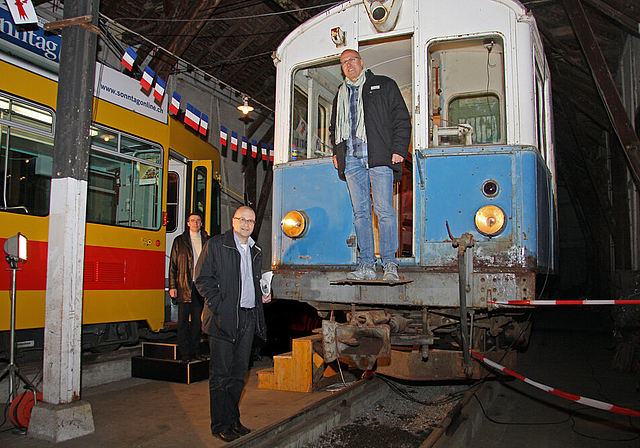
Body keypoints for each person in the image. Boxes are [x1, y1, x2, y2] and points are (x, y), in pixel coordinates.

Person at [330, 48, 412, 281]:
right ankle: (366, 264)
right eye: (344, 62)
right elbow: (334, 128)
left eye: (352, 60)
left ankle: (389, 264)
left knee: (384, 211)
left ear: (361, 62)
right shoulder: (340, 94)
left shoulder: (384, 84)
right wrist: (337, 153)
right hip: (352, 160)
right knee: (360, 214)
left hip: (378, 157)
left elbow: (401, 118)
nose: (348, 65)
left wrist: (398, 149)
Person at [195, 206, 271, 442]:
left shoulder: (255, 249)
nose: (246, 224)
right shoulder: (217, 245)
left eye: (251, 221)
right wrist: (219, 306)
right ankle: (219, 424)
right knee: (220, 375)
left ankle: (233, 420)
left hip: (248, 318)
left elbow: (248, 281)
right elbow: (202, 278)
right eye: (242, 220)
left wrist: (262, 294)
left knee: (239, 375)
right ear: (233, 221)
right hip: (222, 319)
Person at [169, 212, 209, 362]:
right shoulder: (179, 241)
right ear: (187, 223)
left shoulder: (207, 240)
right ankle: (185, 353)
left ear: (201, 223)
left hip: (200, 286)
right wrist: (172, 286)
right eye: (192, 221)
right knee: (183, 321)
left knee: (198, 323)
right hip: (184, 286)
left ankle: (196, 352)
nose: (195, 223)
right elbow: (173, 265)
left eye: (198, 220)